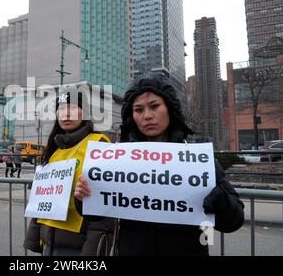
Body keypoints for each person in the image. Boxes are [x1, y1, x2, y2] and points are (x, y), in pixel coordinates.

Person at [74, 74, 245, 256]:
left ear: (169, 108)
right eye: (138, 110)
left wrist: (221, 202)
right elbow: (94, 214)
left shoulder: (198, 161)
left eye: (154, 106)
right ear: (132, 115)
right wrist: (83, 198)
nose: (147, 116)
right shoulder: (116, 160)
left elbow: (234, 220)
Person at [24, 86, 115, 256]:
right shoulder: (54, 150)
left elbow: (104, 213)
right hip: (48, 245)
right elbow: (43, 202)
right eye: (61, 109)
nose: (66, 114)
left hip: (78, 248)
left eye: (72, 108)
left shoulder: (100, 144)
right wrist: (34, 237)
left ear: (85, 112)